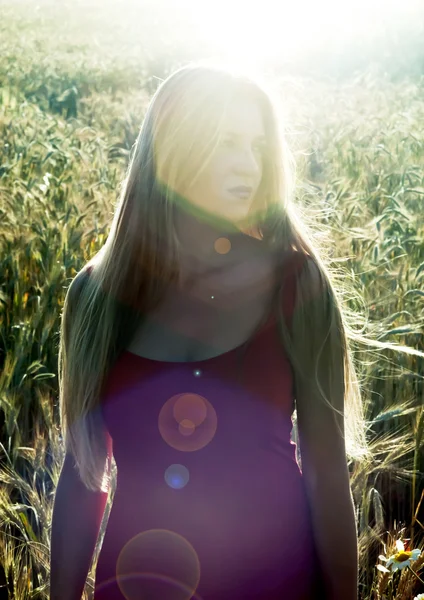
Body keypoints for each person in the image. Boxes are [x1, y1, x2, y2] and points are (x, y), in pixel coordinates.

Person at [50, 61, 367, 600]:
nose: (247, 165)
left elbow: (326, 472)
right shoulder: (95, 297)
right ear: (174, 150)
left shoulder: (297, 284)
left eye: (256, 146)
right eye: (225, 143)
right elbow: (83, 477)